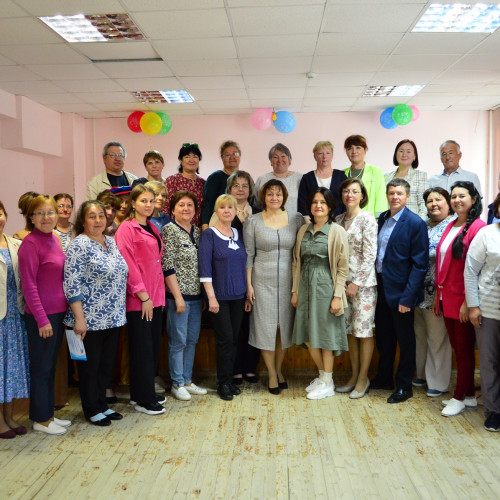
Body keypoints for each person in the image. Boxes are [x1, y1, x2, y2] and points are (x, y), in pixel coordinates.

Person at [63, 201, 128, 426]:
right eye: (92, 216)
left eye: (101, 215)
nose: (98, 220)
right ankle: (91, 409)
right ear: (83, 220)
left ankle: (102, 404)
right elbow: (71, 283)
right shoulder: (78, 244)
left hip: (113, 317)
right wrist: (79, 319)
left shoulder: (110, 241)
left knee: (106, 365)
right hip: (88, 319)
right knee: (89, 367)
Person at [371, 179, 429, 404]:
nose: (395, 197)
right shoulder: (383, 218)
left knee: (405, 341)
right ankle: (384, 378)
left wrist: (408, 297)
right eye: (392, 193)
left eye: (399, 193)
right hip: (381, 286)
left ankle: (405, 385)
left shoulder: (415, 223)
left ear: (407, 197)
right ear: (387, 195)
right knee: (384, 337)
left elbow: (420, 265)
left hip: (402, 291)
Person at [244, 180, 304, 394]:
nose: (274, 198)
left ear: (284, 197)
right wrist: (249, 285)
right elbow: (249, 255)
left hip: (288, 281)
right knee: (265, 329)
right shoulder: (252, 221)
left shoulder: (296, 219)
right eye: (270, 194)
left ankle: (279, 370)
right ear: (263, 197)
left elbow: (299, 251)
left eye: (278, 194)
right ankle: (271, 374)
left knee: (283, 329)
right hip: (261, 282)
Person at [18, 195, 71, 435]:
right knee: (41, 368)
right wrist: (41, 319)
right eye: (40, 213)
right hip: (42, 317)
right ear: (31, 218)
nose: (46, 217)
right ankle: (40, 420)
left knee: (50, 366)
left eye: (50, 212)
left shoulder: (54, 239)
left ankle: (48, 414)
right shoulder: (30, 244)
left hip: (58, 314)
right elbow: (29, 286)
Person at [292, 188, 349, 400]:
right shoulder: (303, 230)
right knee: (308, 335)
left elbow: (343, 267)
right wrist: (295, 291)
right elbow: (296, 262)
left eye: (323, 202)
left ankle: (328, 381)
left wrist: (337, 296)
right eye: (315, 202)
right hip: (305, 287)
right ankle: (324, 377)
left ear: (331, 207)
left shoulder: (337, 231)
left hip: (326, 288)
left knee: (325, 337)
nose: (318, 206)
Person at [434, 181, 485, 417]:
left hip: (463, 300)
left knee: (464, 351)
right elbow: (443, 263)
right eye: (453, 196)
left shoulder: (478, 228)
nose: (456, 200)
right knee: (458, 348)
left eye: (461, 196)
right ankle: (470, 396)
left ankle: (458, 398)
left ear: (473, 200)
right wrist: (438, 295)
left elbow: (477, 270)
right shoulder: (451, 224)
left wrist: (468, 301)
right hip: (446, 297)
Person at [115, 185, 166, 416]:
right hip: (140, 300)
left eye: (151, 201)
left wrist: (156, 297)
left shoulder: (152, 227)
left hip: (156, 298)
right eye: (143, 200)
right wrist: (143, 295)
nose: (148, 204)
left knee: (151, 349)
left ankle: (142, 393)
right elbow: (128, 264)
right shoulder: (127, 228)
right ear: (133, 203)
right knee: (142, 350)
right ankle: (145, 400)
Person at [209, 171, 261, 385]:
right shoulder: (220, 214)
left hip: (253, 276)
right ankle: (235, 370)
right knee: (231, 332)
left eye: (245, 185)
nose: (240, 189)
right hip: (227, 281)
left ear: (250, 190)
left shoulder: (258, 212)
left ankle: (250, 367)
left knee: (251, 325)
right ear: (229, 189)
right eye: (236, 185)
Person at [199, 195, 248, 401]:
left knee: (234, 339)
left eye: (230, 207)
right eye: (222, 207)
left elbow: (244, 265)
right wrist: (211, 297)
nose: (226, 210)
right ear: (216, 211)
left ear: (236, 211)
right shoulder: (209, 234)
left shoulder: (238, 233)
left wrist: (246, 294)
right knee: (225, 340)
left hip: (238, 296)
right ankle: (223, 383)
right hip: (218, 297)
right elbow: (204, 268)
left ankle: (229, 380)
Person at [161, 191, 206, 401]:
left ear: (195, 210)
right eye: (181, 205)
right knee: (178, 341)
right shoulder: (169, 230)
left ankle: (187, 380)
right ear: (172, 209)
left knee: (192, 340)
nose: (186, 208)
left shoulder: (197, 232)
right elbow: (167, 265)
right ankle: (177, 383)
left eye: (190, 205)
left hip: (196, 296)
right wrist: (178, 297)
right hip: (177, 298)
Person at [335, 179, 378, 399]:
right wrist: (341, 283)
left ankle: (363, 378)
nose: (350, 195)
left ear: (362, 195)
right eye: (346, 191)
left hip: (364, 286)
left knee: (364, 332)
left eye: (354, 191)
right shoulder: (338, 220)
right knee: (350, 332)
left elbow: (370, 255)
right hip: (342, 284)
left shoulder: (367, 219)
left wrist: (356, 283)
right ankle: (353, 376)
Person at [413, 188, 455, 397]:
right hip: (417, 291)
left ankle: (438, 382)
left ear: (448, 203)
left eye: (439, 199)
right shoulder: (423, 225)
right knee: (420, 335)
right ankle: (421, 374)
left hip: (438, 292)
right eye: (430, 201)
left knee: (437, 338)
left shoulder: (454, 225)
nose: (434, 204)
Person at [465, 192, 500, 432]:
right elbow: (470, 271)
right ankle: (494, 410)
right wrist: (473, 306)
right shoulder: (487, 234)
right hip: (488, 310)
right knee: (489, 362)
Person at [0, 201, 29, 439]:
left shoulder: (15, 244)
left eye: (0, 213)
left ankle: (9, 417)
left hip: (14, 315)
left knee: (11, 369)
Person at [298, 141, 347, 219]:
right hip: (313, 222)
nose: (324, 156)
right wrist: (310, 223)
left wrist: (342, 222)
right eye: (320, 153)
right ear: (315, 156)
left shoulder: (341, 176)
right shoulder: (307, 178)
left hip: (338, 222)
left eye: (328, 153)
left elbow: (346, 201)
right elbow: (302, 205)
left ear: (332, 156)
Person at [343, 135, 387, 217]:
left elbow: (381, 199)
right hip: (346, 219)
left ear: (365, 150)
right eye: (350, 148)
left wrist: (378, 219)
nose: (354, 151)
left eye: (358, 147)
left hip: (369, 219)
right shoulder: (341, 173)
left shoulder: (376, 172)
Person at [385, 139, 429, 219]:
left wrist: (419, 224)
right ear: (396, 155)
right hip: (390, 222)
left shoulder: (421, 176)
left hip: (412, 223)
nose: (404, 154)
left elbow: (424, 205)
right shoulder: (386, 177)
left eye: (408, 151)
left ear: (414, 156)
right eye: (401, 151)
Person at [201, 140, 241, 229]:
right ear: (222, 158)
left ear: (240, 155)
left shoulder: (245, 178)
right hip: (218, 225)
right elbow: (208, 204)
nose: (232, 157)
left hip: (242, 225)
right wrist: (205, 227)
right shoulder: (215, 177)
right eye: (227, 155)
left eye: (235, 153)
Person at [164, 143, 205, 227]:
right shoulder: (172, 181)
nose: (191, 160)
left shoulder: (203, 183)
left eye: (195, 157)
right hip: (176, 229)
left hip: (198, 230)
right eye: (187, 157)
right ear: (181, 160)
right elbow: (165, 208)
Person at [254, 143, 302, 212]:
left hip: (296, 219)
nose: (279, 160)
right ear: (271, 161)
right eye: (275, 157)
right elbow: (257, 206)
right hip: (268, 218)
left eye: (283, 156)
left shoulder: (300, 178)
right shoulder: (262, 179)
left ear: (289, 160)